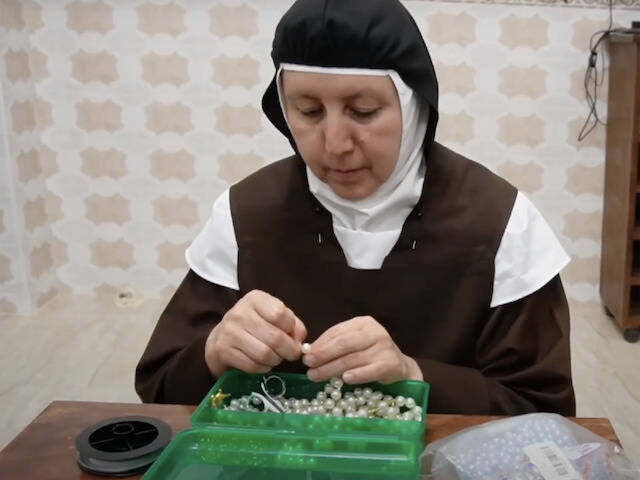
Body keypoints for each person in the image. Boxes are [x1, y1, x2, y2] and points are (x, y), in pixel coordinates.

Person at [135, 0, 576, 416]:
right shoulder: (246, 213)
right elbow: (160, 387)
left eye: (363, 111)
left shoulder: (500, 223)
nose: (335, 145)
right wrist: (212, 353)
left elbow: (542, 411)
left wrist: (413, 376)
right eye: (308, 111)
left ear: (414, 104)